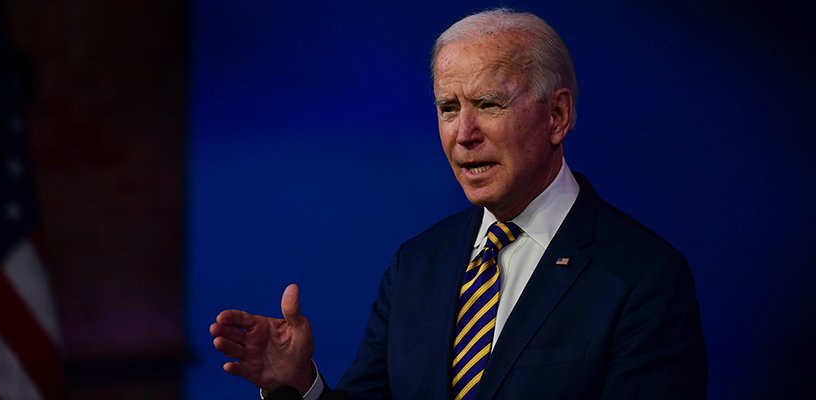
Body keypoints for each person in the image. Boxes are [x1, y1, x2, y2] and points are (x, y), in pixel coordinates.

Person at [210, 8, 706, 400]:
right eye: (449, 108)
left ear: (557, 115)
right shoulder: (416, 265)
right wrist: (300, 385)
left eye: (488, 104)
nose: (464, 134)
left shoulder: (644, 277)